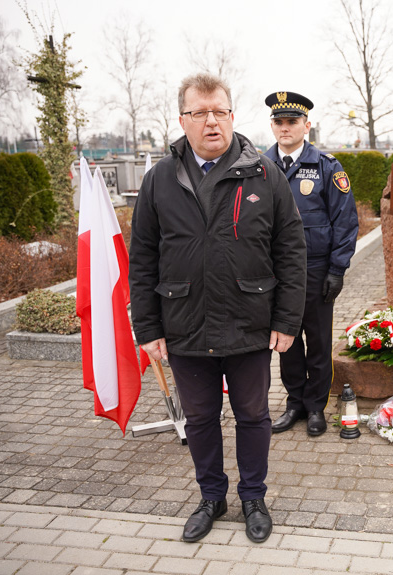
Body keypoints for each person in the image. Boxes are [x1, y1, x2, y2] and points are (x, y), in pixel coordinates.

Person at [129, 74, 306, 544]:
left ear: (232, 115)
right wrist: (147, 327)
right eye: (201, 113)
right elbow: (143, 257)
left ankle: (253, 496)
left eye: (220, 111)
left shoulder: (264, 175)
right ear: (182, 120)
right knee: (201, 419)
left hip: (250, 323)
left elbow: (291, 249)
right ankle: (212, 496)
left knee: (253, 416)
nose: (212, 121)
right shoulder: (159, 180)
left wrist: (288, 319)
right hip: (184, 324)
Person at [263, 92, 359, 437]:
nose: (285, 128)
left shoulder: (326, 167)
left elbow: (345, 222)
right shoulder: (260, 167)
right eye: (279, 122)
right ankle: (295, 402)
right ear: (272, 126)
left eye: (292, 122)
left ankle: (316, 406)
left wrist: (337, 269)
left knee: (317, 341)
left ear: (306, 126)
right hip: (277, 274)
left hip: (316, 269)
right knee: (285, 340)